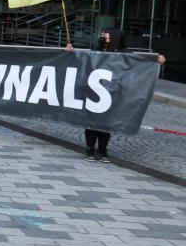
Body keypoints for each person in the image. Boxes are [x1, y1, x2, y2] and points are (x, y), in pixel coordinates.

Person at [66, 28, 166, 162]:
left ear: (114, 36)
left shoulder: (125, 54)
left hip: (112, 94)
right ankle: (90, 149)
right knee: (90, 123)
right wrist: (71, 52)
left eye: (106, 33)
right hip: (92, 92)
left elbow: (142, 61)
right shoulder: (96, 50)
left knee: (105, 123)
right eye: (102, 33)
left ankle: (102, 150)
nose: (103, 35)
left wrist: (159, 60)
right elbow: (81, 59)